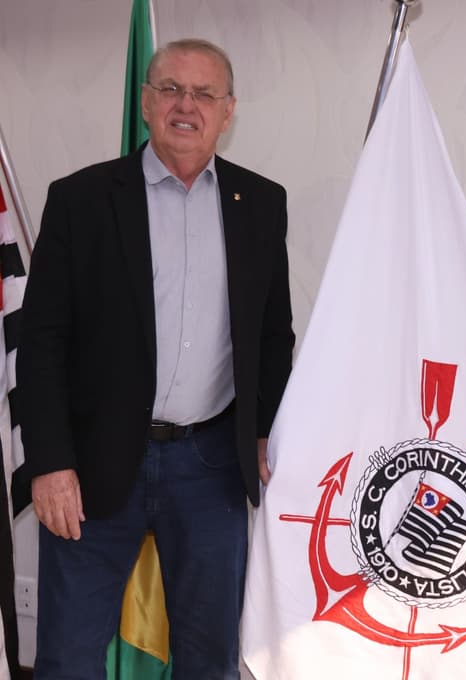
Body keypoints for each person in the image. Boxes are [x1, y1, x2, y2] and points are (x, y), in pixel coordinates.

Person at [18, 38, 294, 678]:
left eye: (204, 94)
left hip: (211, 466)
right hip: (90, 469)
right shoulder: (81, 199)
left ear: (228, 111)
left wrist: (262, 429)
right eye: (170, 89)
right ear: (146, 102)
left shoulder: (260, 203)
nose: (185, 106)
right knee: (67, 658)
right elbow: (42, 343)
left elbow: (273, 333)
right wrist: (51, 462)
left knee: (209, 658)